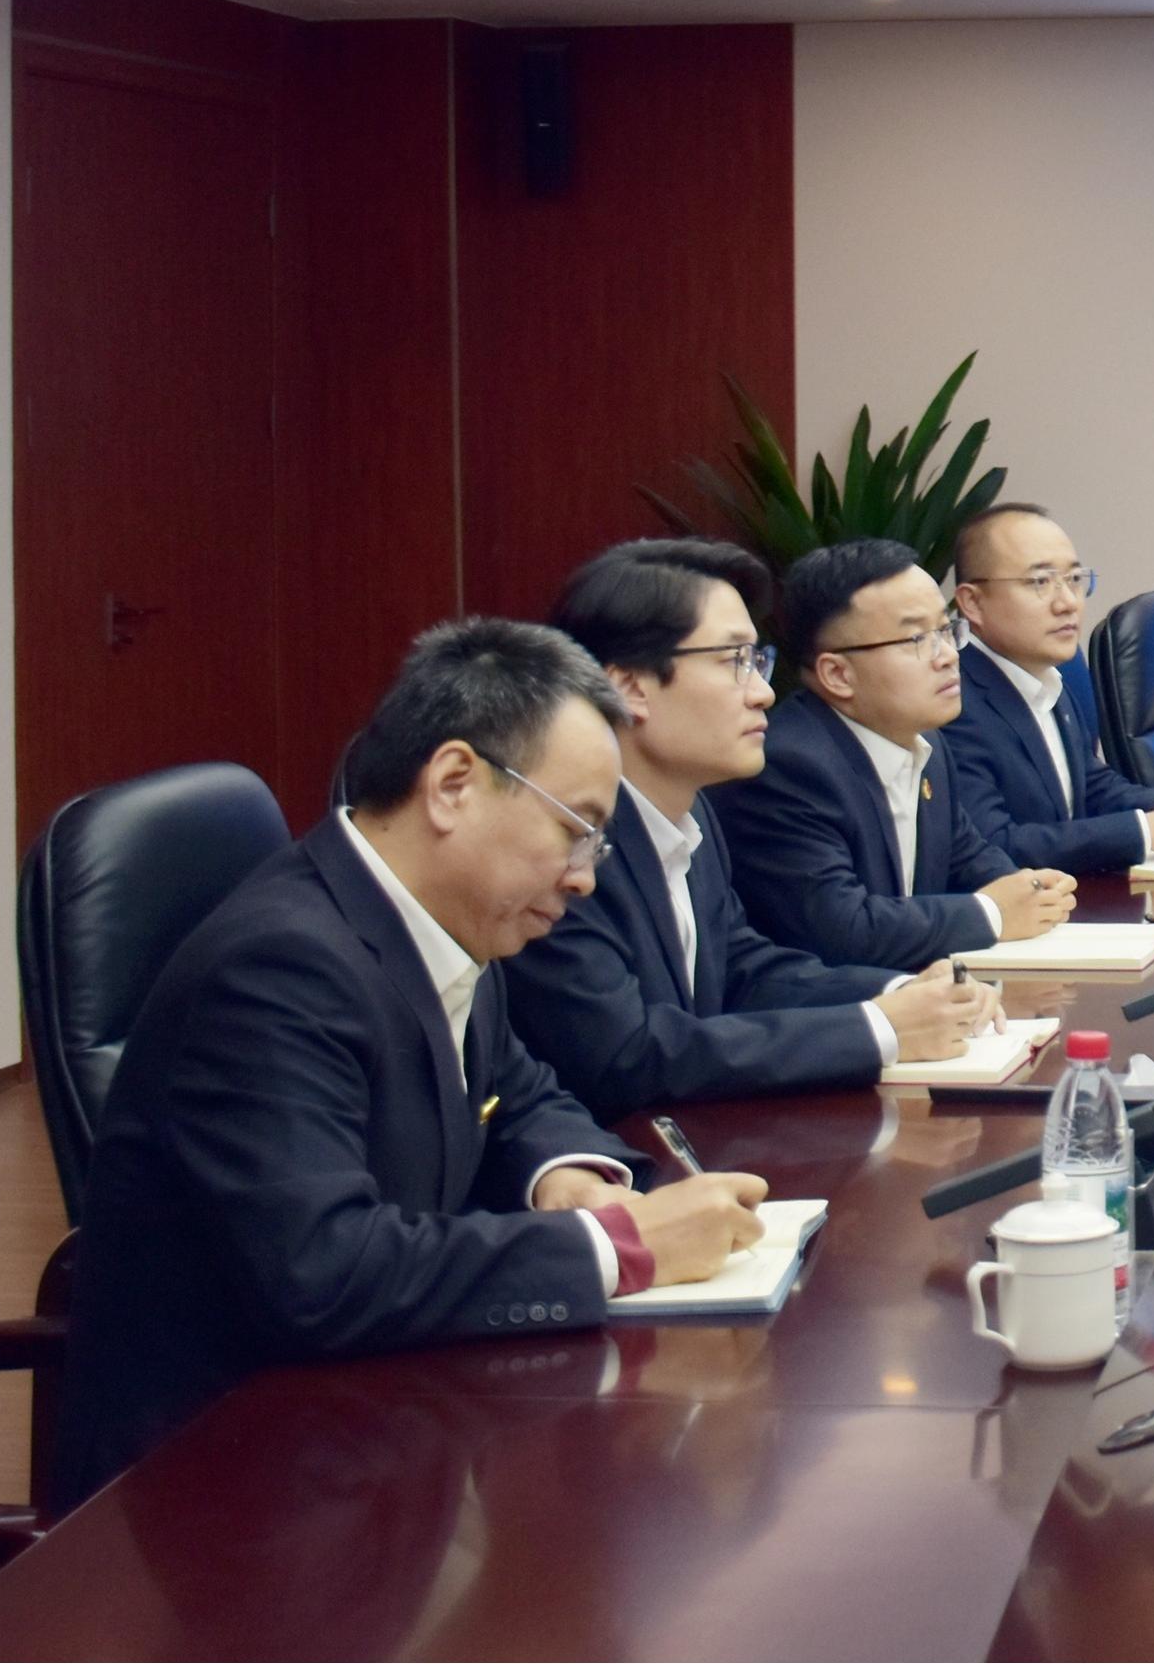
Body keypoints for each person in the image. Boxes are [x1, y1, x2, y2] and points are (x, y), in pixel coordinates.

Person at [59, 619, 770, 1504]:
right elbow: (326, 1270)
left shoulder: (443, 915)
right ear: (454, 784)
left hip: (369, 1420)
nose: (584, 877)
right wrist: (617, 1247)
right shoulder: (280, 970)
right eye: (575, 830)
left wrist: (570, 1179)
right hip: (221, 1488)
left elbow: (515, 1091)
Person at [509, 538, 1001, 1117]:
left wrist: (899, 993)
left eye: (757, 661)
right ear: (630, 687)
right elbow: (625, 1056)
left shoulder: (691, 812)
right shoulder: (561, 844)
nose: (764, 692)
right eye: (735, 662)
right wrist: (876, 1029)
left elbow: (743, 969)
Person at [705, 536, 1073, 970]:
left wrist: (1030, 889)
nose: (947, 657)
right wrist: (993, 912)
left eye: (946, 631)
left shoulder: (927, 744)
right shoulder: (788, 766)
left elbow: (968, 856)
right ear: (837, 674)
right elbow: (842, 930)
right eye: (917, 638)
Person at [948, 502, 1154, 874]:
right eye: (1040, 582)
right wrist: (1145, 832)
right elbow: (995, 845)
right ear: (973, 603)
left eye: (1074, 579)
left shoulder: (1048, 675)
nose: (1067, 603)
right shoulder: (952, 702)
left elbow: (1088, 782)